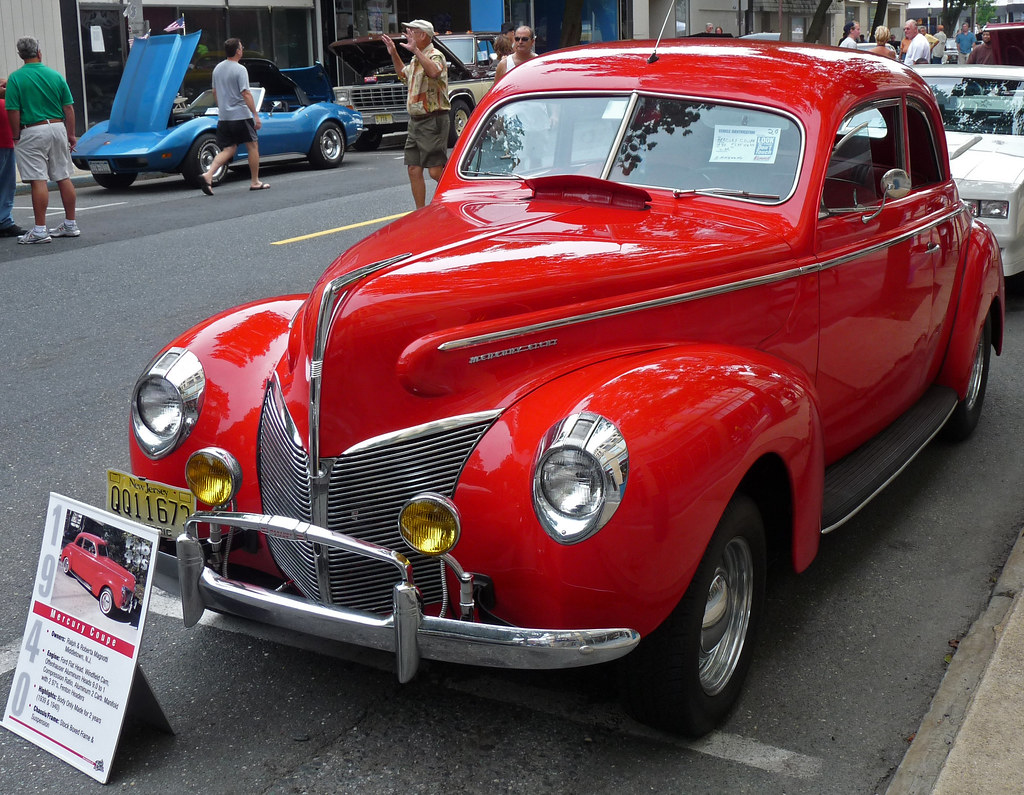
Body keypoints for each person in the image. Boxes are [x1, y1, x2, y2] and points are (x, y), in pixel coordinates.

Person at [5, 36, 78, 244]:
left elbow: (13, 110)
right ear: (39, 53)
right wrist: (71, 134)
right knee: (63, 175)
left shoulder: (16, 79)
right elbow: (69, 108)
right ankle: (70, 224)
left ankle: (39, 229)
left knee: (38, 179)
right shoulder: (55, 75)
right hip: (57, 127)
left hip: (32, 130)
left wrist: (16, 135)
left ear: (21, 55)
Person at [382, 20, 450, 209]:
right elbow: (403, 75)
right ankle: (420, 211)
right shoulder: (415, 58)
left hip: (433, 119)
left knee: (436, 171)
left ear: (423, 35)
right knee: (413, 168)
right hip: (416, 120)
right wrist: (394, 53)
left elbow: (434, 72)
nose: (408, 32)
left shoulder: (435, 55)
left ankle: (452, 202)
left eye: (413, 30)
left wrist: (416, 52)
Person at [199, 38, 266, 194]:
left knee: (229, 149)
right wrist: (255, 114)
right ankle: (255, 181)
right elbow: (246, 93)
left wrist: (222, 107)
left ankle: (208, 175)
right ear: (237, 51)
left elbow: (215, 92)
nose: (242, 49)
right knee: (253, 146)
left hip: (224, 117)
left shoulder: (217, 69)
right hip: (241, 115)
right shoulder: (240, 69)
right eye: (241, 47)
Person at [0, 77, 25, 237]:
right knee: (6, 183)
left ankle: (4, 221)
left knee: (7, 184)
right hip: (5, 140)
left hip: (7, 140)